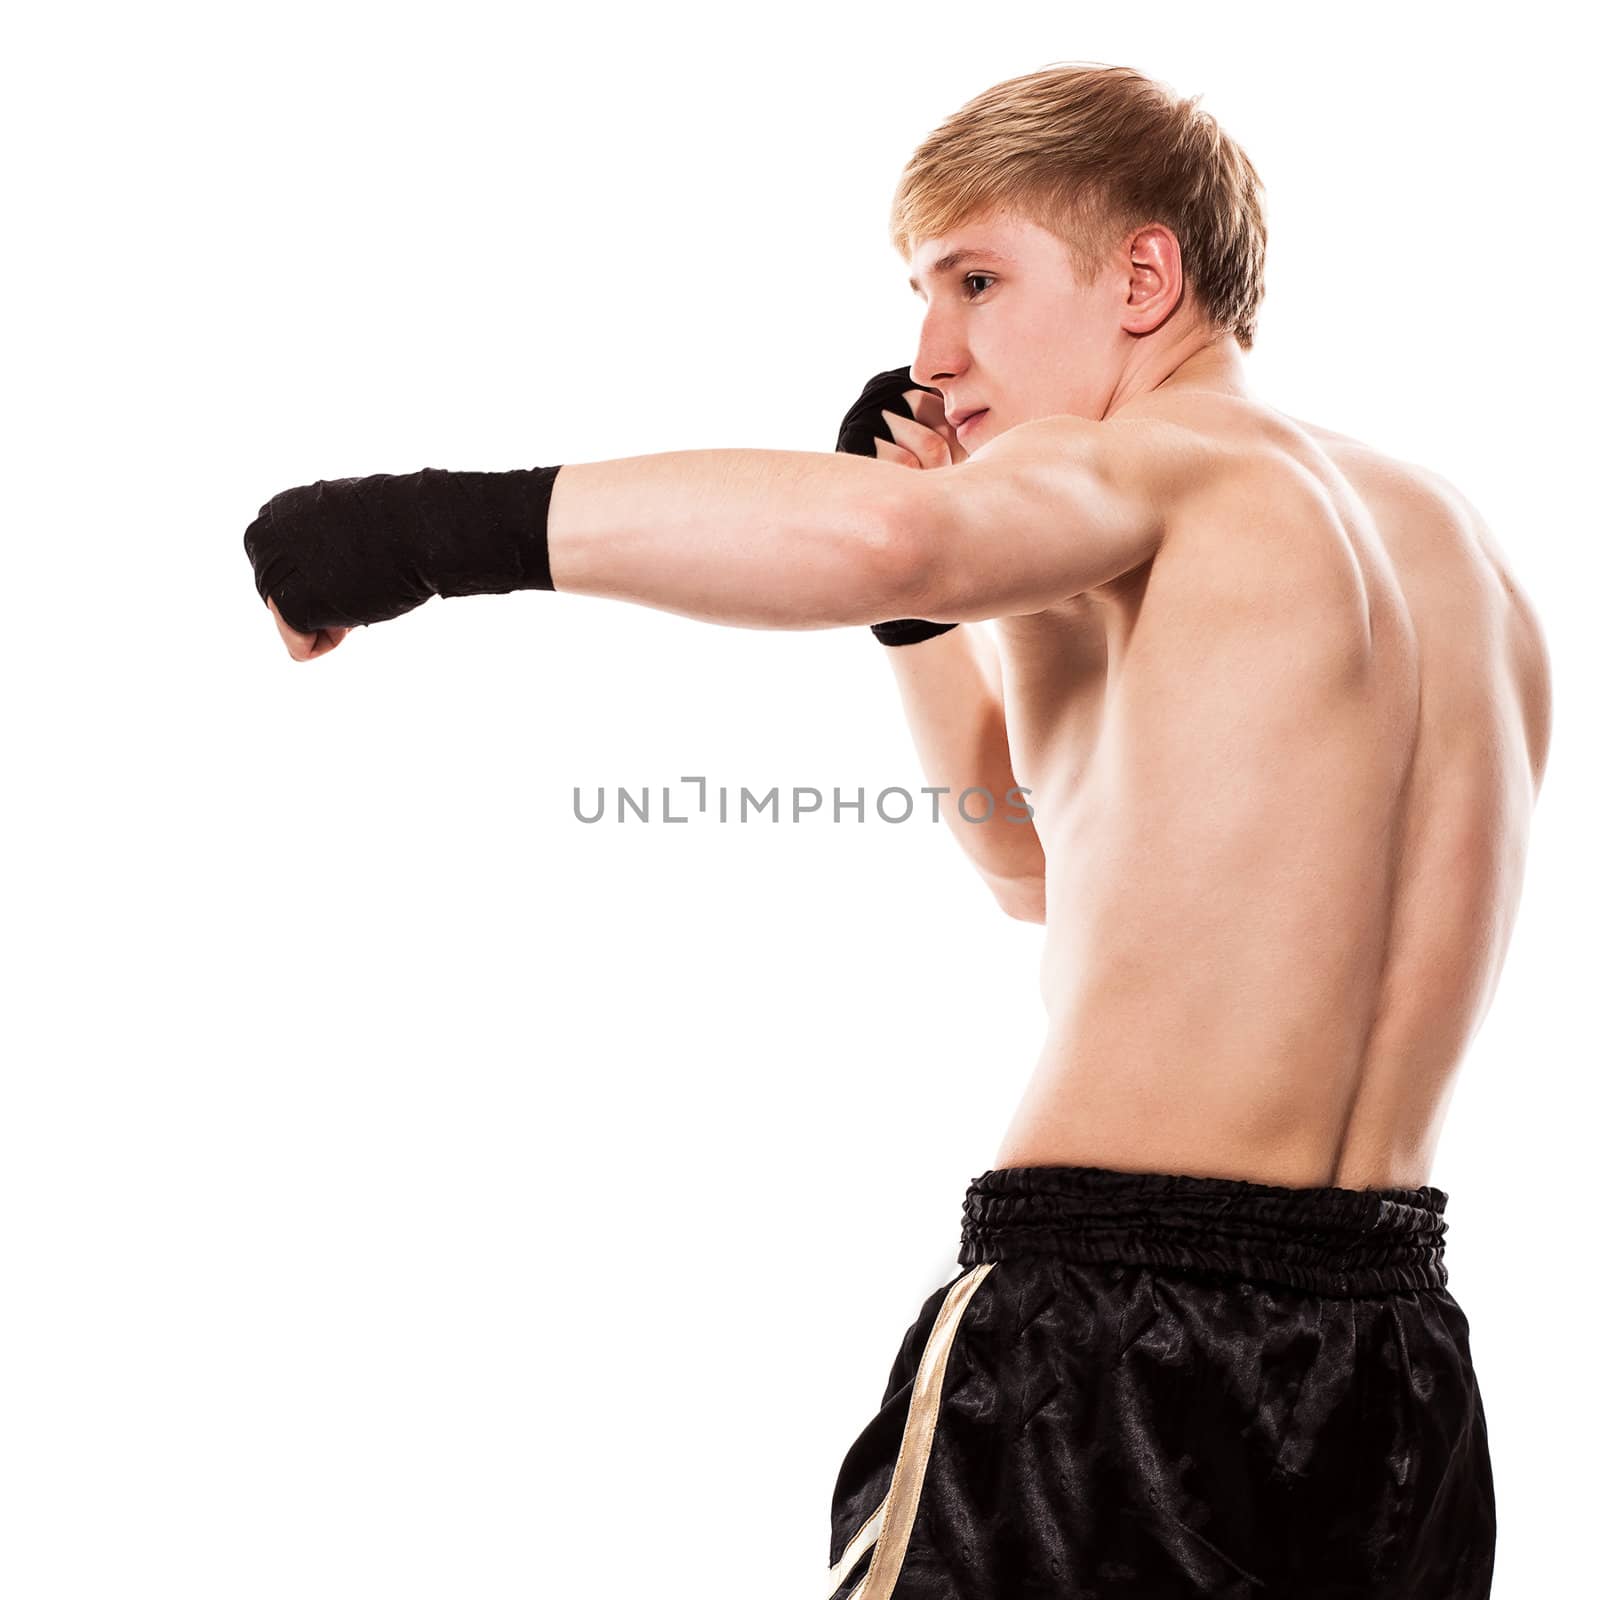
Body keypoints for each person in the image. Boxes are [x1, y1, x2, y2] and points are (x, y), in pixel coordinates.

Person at [242, 60, 1551, 1600]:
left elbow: (881, 534)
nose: (934, 354)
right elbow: (1038, 865)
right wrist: (935, 621)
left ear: (1146, 274)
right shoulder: (1458, 559)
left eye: (977, 282)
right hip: (1389, 1362)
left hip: (1109, 1331)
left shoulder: (1153, 461)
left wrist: (400, 536)